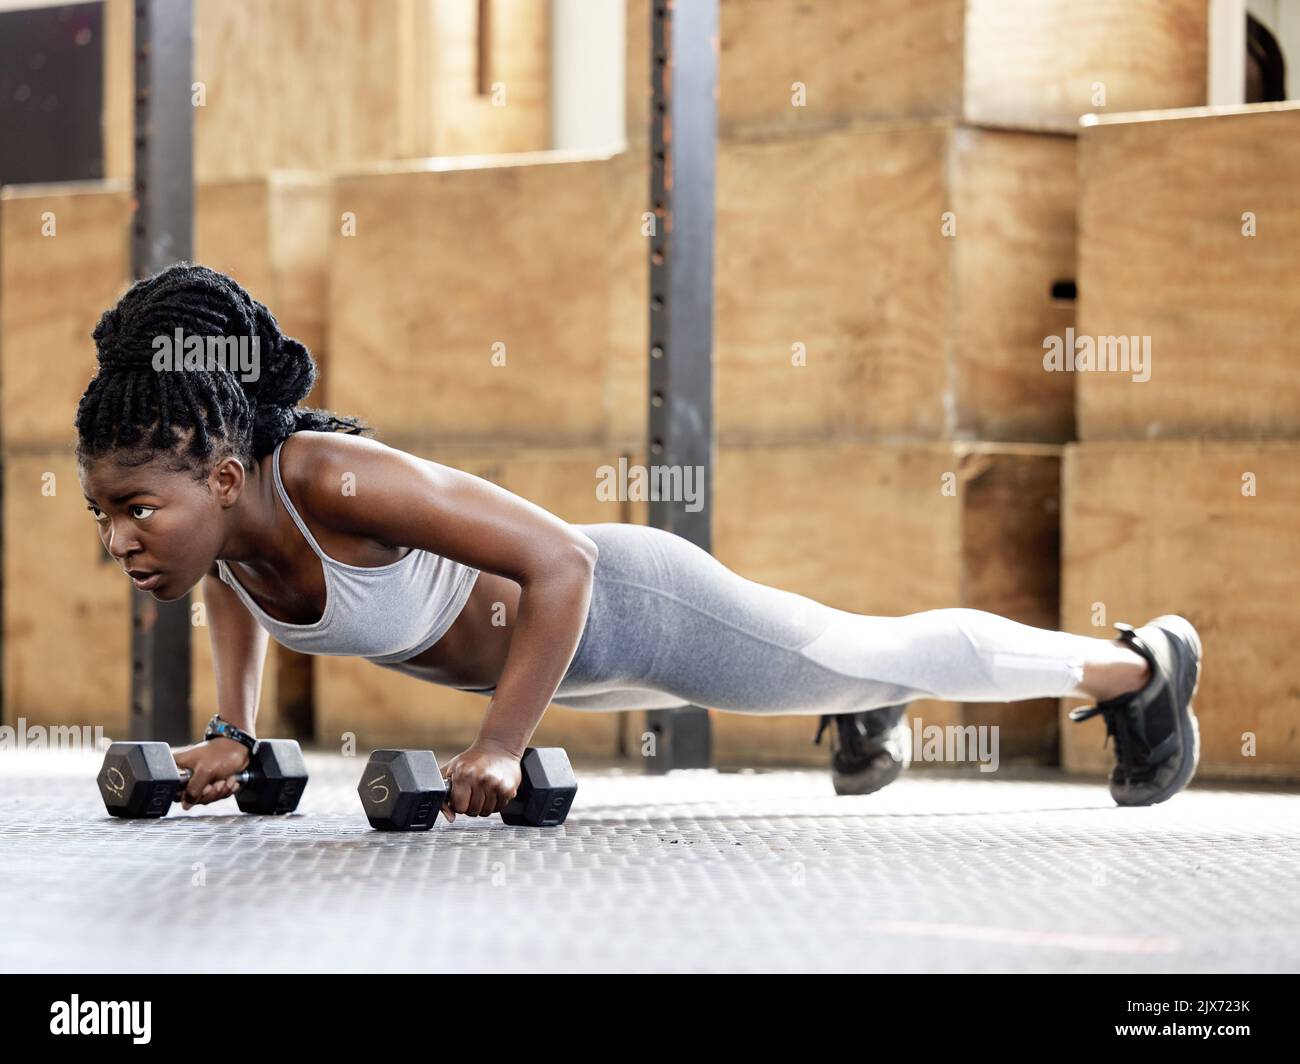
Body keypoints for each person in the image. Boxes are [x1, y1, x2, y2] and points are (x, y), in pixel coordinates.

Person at [75, 265, 1202, 819]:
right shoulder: (227, 536)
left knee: (871, 643)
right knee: (848, 661)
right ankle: (865, 698)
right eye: (105, 513)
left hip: (630, 609)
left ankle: (1142, 666)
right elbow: (238, 585)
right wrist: (231, 728)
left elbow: (560, 562)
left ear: (223, 476)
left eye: (137, 508)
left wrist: (501, 748)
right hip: (571, 675)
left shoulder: (332, 479)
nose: (122, 537)